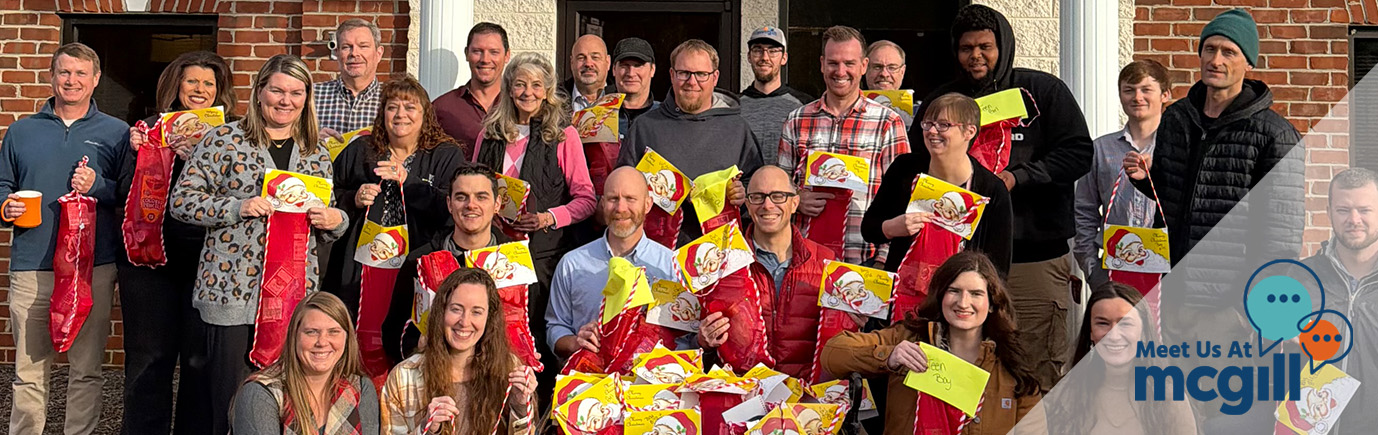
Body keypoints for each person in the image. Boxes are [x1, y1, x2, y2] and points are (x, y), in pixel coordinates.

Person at [914, 4, 1094, 390]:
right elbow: (917, 164)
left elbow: (1078, 152)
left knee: (1034, 368)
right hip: (957, 260)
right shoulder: (943, 100)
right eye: (966, 48)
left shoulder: (1043, 91)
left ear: (1004, 46)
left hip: (1033, 258)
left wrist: (1018, 178)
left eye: (985, 46)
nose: (975, 56)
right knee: (958, 372)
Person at [171, 54, 350, 435]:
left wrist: (337, 220)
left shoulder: (315, 152)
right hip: (232, 295)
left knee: (286, 401)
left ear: (307, 98)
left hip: (292, 296)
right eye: (277, 90)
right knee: (231, 402)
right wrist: (237, 206)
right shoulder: (224, 140)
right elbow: (182, 202)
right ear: (259, 92)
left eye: (296, 92)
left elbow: (327, 214)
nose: (286, 100)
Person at [1122, 8, 1304, 311]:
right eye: (1210, 49)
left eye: (1228, 52)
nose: (1215, 60)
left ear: (1247, 62)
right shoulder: (1177, 118)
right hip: (1171, 295)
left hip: (1229, 305)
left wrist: (1245, 312)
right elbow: (1172, 198)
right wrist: (1146, 180)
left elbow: (1280, 238)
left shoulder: (1275, 135)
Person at [0, 42, 128, 435]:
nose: (71, 81)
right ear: (52, 77)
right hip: (33, 265)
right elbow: (3, 186)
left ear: (95, 80)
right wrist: (6, 208)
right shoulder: (21, 131)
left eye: (80, 73)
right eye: (64, 72)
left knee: (87, 369)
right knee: (29, 372)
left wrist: (99, 185)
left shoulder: (116, 132)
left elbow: (128, 197)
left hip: (93, 267)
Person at [116, 50, 236, 435]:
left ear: (220, 92)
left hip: (208, 261)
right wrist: (146, 154)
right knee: (149, 358)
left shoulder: (232, 134)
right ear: (175, 86)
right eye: (191, 82)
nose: (199, 90)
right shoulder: (146, 130)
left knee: (200, 361)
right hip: (149, 263)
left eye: (208, 84)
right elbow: (121, 190)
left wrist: (200, 158)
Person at [324, 76, 466, 364]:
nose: (401, 115)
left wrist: (409, 181)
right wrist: (353, 197)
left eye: (410, 107)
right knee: (358, 338)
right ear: (382, 113)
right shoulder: (360, 150)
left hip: (414, 262)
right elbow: (327, 193)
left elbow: (452, 208)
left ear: (425, 114)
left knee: (409, 342)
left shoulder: (445, 154)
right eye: (392, 107)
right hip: (362, 266)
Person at [821, 251, 1044, 435]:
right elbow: (832, 353)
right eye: (954, 291)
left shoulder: (1012, 367)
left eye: (976, 294)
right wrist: (889, 356)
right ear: (940, 296)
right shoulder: (909, 337)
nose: (963, 303)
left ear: (993, 303)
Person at [471, 51, 597, 373]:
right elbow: (471, 185)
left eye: (537, 85)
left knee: (537, 339)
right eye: (520, 84)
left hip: (543, 257)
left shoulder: (563, 136)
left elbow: (587, 199)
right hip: (492, 251)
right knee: (491, 339)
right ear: (509, 88)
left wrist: (547, 217)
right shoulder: (489, 134)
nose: (528, 92)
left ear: (548, 90)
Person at [778, 26, 911, 266]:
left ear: (863, 66)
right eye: (833, 63)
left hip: (865, 259)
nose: (840, 71)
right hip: (805, 259)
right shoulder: (796, 120)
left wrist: (883, 260)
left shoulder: (888, 122)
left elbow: (902, 199)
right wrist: (795, 198)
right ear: (821, 64)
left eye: (849, 63)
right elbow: (779, 187)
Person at [696, 166, 838, 380]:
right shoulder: (719, 262)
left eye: (778, 196)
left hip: (805, 398)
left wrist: (850, 322)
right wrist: (703, 343)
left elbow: (839, 346)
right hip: (740, 393)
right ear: (748, 204)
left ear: (795, 203)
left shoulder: (826, 262)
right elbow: (693, 341)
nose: (767, 205)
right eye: (758, 197)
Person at [617, 39, 762, 246]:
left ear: (715, 77)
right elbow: (623, 186)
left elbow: (758, 188)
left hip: (718, 252)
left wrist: (743, 193)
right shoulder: (645, 127)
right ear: (671, 75)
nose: (692, 82)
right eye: (684, 73)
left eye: (701, 74)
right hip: (657, 252)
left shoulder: (737, 129)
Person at [862, 93, 1012, 274]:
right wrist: (893, 227)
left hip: (958, 296)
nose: (932, 131)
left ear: (969, 131)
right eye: (928, 124)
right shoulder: (905, 168)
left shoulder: (991, 190)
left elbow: (998, 267)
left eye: (944, 125)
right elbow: (869, 228)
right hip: (903, 291)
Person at [380, 268, 538, 435]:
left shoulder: (510, 368)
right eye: (456, 309)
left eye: (476, 312)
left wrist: (520, 406)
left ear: (489, 318)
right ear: (441, 312)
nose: (464, 322)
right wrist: (426, 429)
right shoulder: (404, 376)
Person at [548, 167, 681, 359]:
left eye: (630, 199)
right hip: (589, 381)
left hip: (651, 383)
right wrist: (576, 342)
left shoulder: (671, 266)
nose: (620, 208)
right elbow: (555, 327)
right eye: (613, 199)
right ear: (602, 204)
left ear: (648, 204)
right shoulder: (572, 264)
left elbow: (685, 339)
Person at [392, 163, 512, 360]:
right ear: (449, 204)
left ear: (497, 204)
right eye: (461, 197)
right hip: (434, 374)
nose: (471, 205)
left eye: (481, 197)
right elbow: (394, 330)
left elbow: (530, 326)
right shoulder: (419, 261)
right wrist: (416, 344)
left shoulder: (517, 261)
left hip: (496, 376)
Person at [1045, 283, 1195, 435]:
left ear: (1143, 332)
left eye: (1125, 324)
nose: (1114, 336)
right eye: (1103, 323)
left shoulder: (1168, 396)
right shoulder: (1065, 393)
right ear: (1090, 331)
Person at [1073, 60, 1172, 289]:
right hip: (1114, 271)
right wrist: (1093, 270)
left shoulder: (1178, 148)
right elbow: (1084, 212)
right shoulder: (1100, 149)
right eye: (1129, 90)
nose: (1137, 97)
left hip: (1165, 271)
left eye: (1146, 89)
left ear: (1165, 95)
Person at [231, 292, 381, 435]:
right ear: (294, 336)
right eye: (311, 332)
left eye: (333, 332)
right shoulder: (261, 393)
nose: (322, 342)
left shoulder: (361, 389)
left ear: (347, 339)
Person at [1300, 168, 1378, 434]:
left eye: (1364, 210)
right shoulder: (1301, 278)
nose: (1354, 220)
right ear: (1329, 211)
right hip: (1311, 427)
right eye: (1343, 210)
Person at [738, 26, 812, 165]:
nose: (764, 57)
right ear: (749, 56)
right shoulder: (735, 106)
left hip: (787, 186)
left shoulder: (804, 106)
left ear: (784, 58)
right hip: (744, 186)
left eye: (772, 51)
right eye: (758, 50)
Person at [435, 22, 511, 155]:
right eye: (477, 51)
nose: (485, 60)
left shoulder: (518, 105)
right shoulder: (441, 108)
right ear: (466, 54)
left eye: (494, 52)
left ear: (507, 56)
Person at [316, 19, 385, 141]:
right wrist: (311, 141)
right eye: (347, 47)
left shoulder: (391, 98)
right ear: (337, 53)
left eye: (363, 46)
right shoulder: (313, 95)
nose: (354, 53)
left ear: (378, 53)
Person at [611, 37, 660, 142]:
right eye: (625, 66)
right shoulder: (597, 118)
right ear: (614, 69)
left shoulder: (665, 118)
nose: (631, 73)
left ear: (652, 70)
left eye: (638, 66)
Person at [864, 40, 913, 129]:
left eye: (892, 68)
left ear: (902, 71)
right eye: (877, 67)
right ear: (865, 69)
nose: (884, 74)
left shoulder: (920, 113)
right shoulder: (847, 109)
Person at [564, 34, 611, 113]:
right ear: (572, 62)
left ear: (608, 62)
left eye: (595, 57)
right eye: (581, 58)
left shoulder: (622, 99)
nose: (588, 63)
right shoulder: (553, 99)